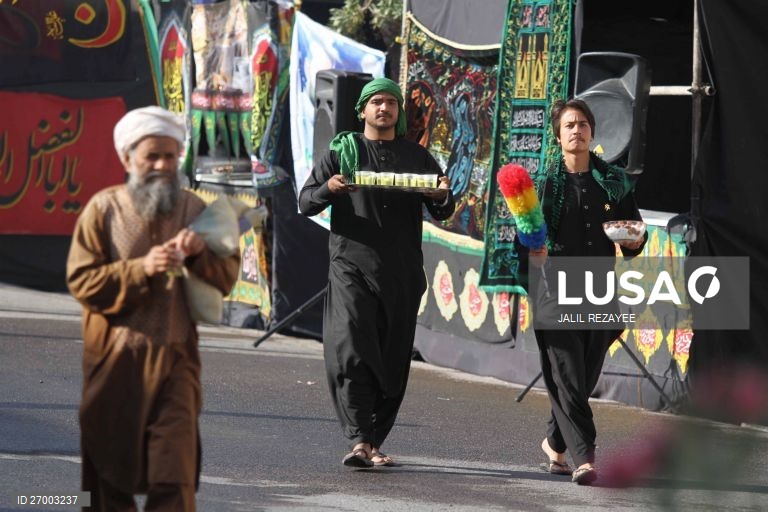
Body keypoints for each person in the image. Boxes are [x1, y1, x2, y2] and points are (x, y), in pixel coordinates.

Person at [66, 106, 240, 510]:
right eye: (152, 156)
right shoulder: (103, 211)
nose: (163, 165)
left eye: (170, 155)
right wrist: (142, 268)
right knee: (109, 481)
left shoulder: (195, 210)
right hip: (113, 363)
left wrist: (200, 253)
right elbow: (82, 281)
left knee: (174, 477)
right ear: (127, 158)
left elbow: (225, 277)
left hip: (177, 362)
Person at [299, 78, 455, 468]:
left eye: (391, 103)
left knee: (392, 357)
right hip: (350, 266)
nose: (384, 108)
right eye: (377, 103)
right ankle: (359, 439)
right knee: (351, 348)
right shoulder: (343, 151)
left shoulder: (417, 157)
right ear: (363, 111)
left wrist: (441, 195)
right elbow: (305, 202)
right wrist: (329, 189)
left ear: (399, 112)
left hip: (401, 273)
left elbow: (442, 207)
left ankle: (374, 439)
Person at [525, 99, 646, 485]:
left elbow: (635, 235)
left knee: (585, 373)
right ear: (558, 136)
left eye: (582, 124)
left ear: (592, 132)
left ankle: (554, 443)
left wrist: (631, 241)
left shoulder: (613, 181)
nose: (576, 130)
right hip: (554, 290)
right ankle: (585, 458)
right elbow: (523, 239)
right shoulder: (542, 184)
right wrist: (534, 249)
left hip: (599, 289)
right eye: (569, 125)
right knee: (570, 376)